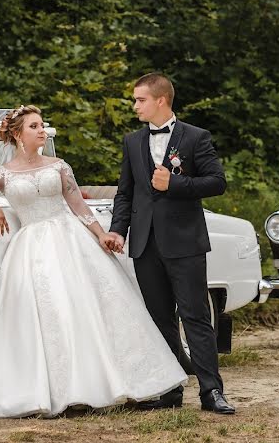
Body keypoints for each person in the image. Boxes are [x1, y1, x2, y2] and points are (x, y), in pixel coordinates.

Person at [0, 104, 187, 418]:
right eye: (35, 126)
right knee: (49, 314)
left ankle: (104, 383)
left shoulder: (59, 166)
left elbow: (79, 207)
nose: (42, 131)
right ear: (18, 135)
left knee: (85, 310)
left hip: (71, 240)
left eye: (41, 126)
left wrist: (100, 234)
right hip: (31, 247)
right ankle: (50, 390)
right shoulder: (3, 173)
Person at [108, 73, 235, 415]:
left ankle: (212, 392)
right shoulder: (132, 142)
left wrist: (175, 184)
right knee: (158, 319)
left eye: (140, 100)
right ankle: (169, 390)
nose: (135, 106)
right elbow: (126, 192)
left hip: (185, 243)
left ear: (161, 100)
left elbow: (217, 182)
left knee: (195, 318)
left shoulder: (196, 137)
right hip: (145, 244)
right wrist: (119, 230)